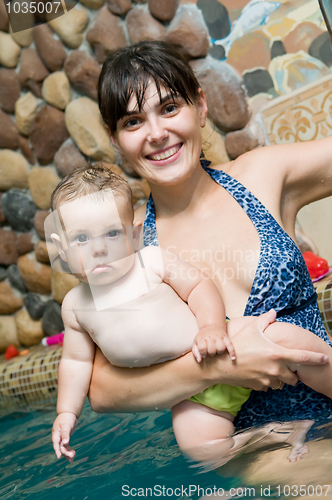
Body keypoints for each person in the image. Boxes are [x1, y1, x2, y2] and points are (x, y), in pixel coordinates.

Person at [88, 40, 332, 437]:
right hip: (251, 456)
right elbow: (101, 390)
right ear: (115, 139)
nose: (156, 133)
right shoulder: (127, 243)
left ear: (200, 106)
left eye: (169, 108)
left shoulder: (262, 176)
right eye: (133, 122)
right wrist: (220, 366)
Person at [50, 164, 332, 463]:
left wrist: (211, 328)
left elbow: (198, 286)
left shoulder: (151, 262)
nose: (99, 249)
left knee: (289, 340)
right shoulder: (74, 305)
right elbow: (76, 361)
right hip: (188, 392)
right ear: (62, 248)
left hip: (223, 343)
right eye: (82, 239)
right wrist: (67, 412)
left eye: (111, 233)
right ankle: (274, 435)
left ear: (133, 235)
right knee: (201, 448)